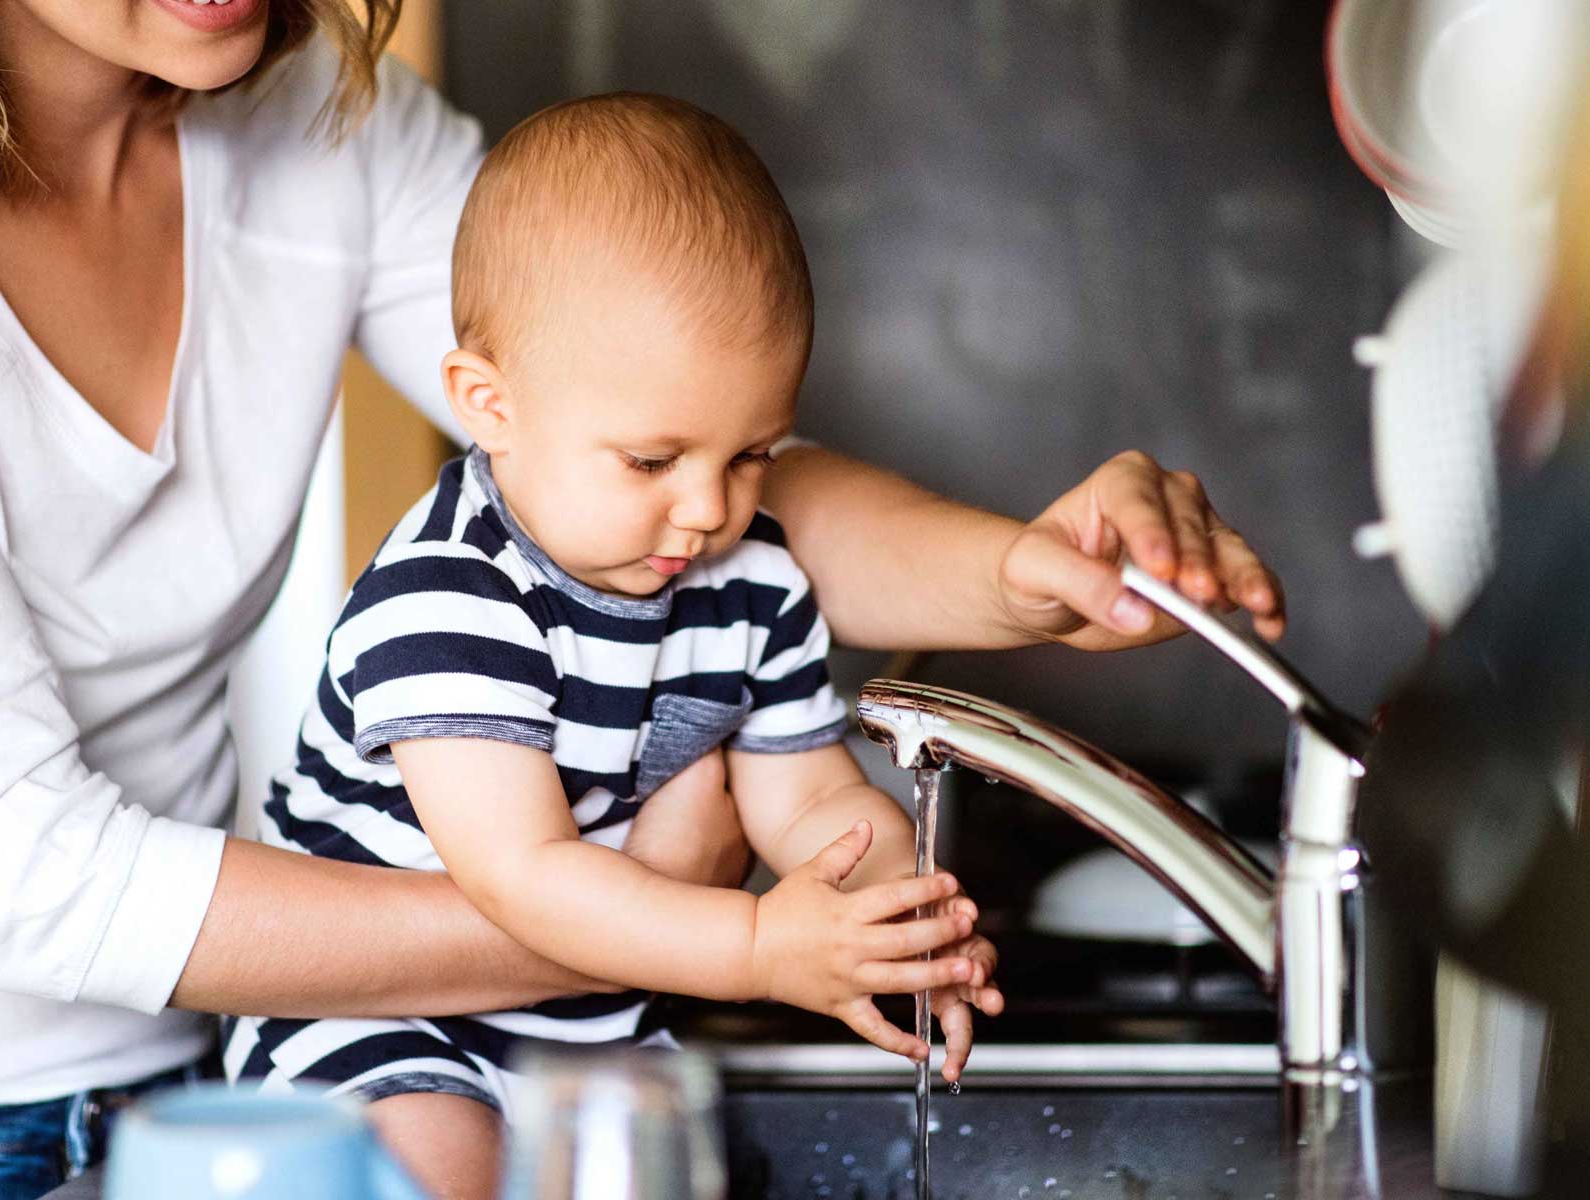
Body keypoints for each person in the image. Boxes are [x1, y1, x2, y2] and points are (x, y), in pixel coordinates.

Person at [0, 1, 1284, 1195]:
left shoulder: (307, 119)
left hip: (202, 1095)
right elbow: (28, 877)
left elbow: (675, 469)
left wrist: (1027, 572)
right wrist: (691, 929)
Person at [223, 92, 1004, 1198]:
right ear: (487, 405)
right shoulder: (449, 597)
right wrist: (754, 951)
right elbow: (524, 877)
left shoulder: (751, 579)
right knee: (444, 1162)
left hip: (596, 1021)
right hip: (379, 1023)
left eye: (748, 457)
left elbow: (806, 799)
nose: (703, 511)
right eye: (651, 461)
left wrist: (884, 919)